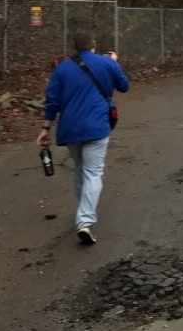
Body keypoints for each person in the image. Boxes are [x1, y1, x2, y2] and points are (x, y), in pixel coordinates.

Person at [38, 30, 130, 245]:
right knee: (93, 172)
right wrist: (115, 63)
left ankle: (83, 214)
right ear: (93, 45)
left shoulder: (62, 69)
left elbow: (52, 101)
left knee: (81, 169)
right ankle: (85, 221)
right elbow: (124, 86)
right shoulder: (107, 64)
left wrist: (45, 128)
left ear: (75, 48)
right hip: (97, 127)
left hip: (70, 129)